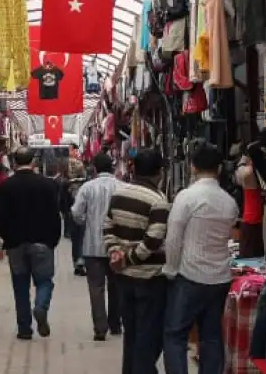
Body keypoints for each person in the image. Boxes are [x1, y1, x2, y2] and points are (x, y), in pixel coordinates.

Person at [162, 141, 239, 374]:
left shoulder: (186, 197)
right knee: (212, 337)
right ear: (219, 168)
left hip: (189, 275)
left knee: (175, 335)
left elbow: (173, 239)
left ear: (192, 167)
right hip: (220, 278)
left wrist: (170, 270)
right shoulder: (229, 202)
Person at [104, 149, 170, 374]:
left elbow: (107, 227)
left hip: (124, 277)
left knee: (131, 333)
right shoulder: (158, 201)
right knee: (148, 336)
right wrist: (129, 259)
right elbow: (153, 240)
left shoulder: (119, 194)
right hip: (149, 278)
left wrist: (115, 253)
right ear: (159, 173)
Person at [0, 147, 62, 340]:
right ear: (34, 161)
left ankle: (24, 328)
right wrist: (53, 240)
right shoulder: (47, 185)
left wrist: (7, 238)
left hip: (15, 244)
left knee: (20, 286)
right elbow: (55, 215)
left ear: (15, 162)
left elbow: (0, 217)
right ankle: (40, 306)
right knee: (44, 281)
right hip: (42, 242)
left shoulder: (7, 186)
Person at [72, 152, 123, 341]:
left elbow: (76, 213)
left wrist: (87, 221)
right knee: (116, 286)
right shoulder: (123, 187)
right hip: (116, 245)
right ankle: (115, 324)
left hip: (92, 246)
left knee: (96, 288)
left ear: (94, 168)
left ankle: (100, 329)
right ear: (112, 167)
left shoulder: (87, 188)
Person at [63, 157, 88, 276]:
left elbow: (63, 200)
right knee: (83, 238)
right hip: (84, 214)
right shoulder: (86, 184)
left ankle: (76, 263)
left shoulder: (66, 184)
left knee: (75, 239)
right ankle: (82, 260)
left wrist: (65, 212)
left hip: (71, 214)